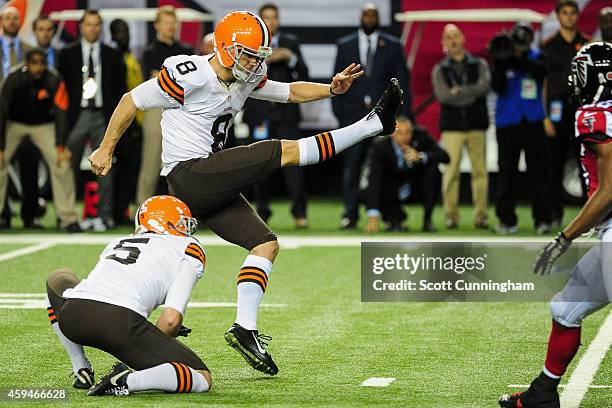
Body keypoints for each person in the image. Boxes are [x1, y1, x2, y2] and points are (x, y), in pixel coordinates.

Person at [89, 10, 402, 377]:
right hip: (188, 174)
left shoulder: (242, 77)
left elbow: (288, 92)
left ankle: (243, 329)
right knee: (283, 150)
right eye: (247, 53)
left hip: (208, 179)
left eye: (258, 55)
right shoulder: (188, 73)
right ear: (223, 47)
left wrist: (329, 89)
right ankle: (372, 124)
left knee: (265, 244)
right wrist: (105, 147)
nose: (254, 62)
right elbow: (131, 100)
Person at [498, 42, 612, 408]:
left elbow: (609, 190)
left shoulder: (594, 115)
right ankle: (543, 394)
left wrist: (565, 237)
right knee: (566, 309)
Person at [45, 195, 211, 396]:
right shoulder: (188, 247)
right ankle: (126, 380)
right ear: (164, 222)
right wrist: (156, 342)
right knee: (201, 377)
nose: (185, 230)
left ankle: (81, 367)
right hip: (119, 325)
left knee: (58, 277)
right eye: (181, 223)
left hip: (73, 316)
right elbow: (170, 320)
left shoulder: (119, 241)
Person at [332, 3, 412, 230]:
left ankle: (388, 215)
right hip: (352, 118)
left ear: (378, 18)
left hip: (383, 120)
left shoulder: (394, 45)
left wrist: (402, 115)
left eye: (373, 15)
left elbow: (402, 82)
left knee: (384, 168)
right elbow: (336, 82)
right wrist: (340, 116)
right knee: (352, 168)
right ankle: (350, 214)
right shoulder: (344, 45)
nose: (369, 18)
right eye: (366, 15)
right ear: (361, 17)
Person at [242, 3, 310, 227]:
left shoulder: (291, 42)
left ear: (279, 19)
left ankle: (300, 213)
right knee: (259, 166)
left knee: (295, 165)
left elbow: (304, 73)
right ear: (260, 21)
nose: (271, 22)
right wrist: (264, 60)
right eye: (266, 18)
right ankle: (262, 214)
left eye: (274, 17)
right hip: (260, 115)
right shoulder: (250, 43)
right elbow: (240, 75)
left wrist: (290, 58)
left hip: (286, 115)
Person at [58, 9, 126, 231]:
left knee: (104, 163)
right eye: (88, 24)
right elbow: (61, 90)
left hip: (103, 116)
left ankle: (103, 216)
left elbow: (120, 90)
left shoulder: (112, 55)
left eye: (97, 24)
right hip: (76, 116)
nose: (93, 28)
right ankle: (67, 216)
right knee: (66, 164)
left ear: (101, 27)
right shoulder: (67, 54)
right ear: (81, 27)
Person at [0, 48, 81, 233]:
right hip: (15, 123)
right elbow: (2, 113)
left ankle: (67, 218)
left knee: (62, 163)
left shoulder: (53, 79)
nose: (38, 68)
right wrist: (1, 147)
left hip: (44, 125)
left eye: (41, 63)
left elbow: (61, 113)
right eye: (34, 63)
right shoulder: (13, 79)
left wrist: (61, 145)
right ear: (27, 64)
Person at [490, 22, 552, 235]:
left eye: (524, 38)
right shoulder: (502, 59)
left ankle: (543, 219)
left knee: (539, 172)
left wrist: (518, 58)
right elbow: (497, 86)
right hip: (507, 123)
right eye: (517, 39)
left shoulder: (536, 57)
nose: (519, 43)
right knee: (507, 172)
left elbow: (542, 72)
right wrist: (501, 61)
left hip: (533, 120)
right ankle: (507, 220)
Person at [431, 24, 490, 230]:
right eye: (449, 37)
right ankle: (451, 216)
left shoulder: (479, 64)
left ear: (463, 38)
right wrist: (469, 94)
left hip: (476, 125)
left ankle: (481, 216)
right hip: (452, 127)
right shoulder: (440, 69)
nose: (453, 40)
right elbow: (443, 95)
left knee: (480, 172)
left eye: (456, 36)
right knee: (450, 172)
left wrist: (460, 91)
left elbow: (484, 88)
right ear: (444, 42)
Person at [137, 6, 193, 206]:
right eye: (166, 23)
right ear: (157, 25)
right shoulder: (149, 52)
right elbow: (151, 83)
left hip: (183, 110)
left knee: (185, 162)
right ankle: (142, 209)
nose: (170, 27)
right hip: (156, 110)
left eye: (173, 23)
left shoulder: (186, 50)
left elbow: (168, 81)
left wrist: (165, 79)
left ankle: (186, 210)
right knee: (150, 161)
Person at [541, 0, 590, 228]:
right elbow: (544, 83)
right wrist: (545, 117)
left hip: (582, 109)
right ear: (558, 16)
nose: (569, 17)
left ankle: (590, 216)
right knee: (554, 165)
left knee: (586, 165)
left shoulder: (588, 44)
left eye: (572, 13)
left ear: (577, 16)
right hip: (557, 110)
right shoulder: (548, 46)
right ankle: (553, 216)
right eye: (565, 13)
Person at [363, 115, 449, 233]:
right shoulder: (381, 146)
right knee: (367, 190)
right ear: (392, 133)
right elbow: (374, 179)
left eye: (408, 132)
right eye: (400, 133)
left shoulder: (421, 137)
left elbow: (445, 157)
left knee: (433, 170)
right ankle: (392, 219)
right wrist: (373, 216)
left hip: (415, 186)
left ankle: (427, 220)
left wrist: (420, 156)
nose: (404, 137)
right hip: (391, 189)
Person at [0, 5, 42, 229]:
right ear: (1, 21)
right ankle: (3, 214)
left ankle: (29, 215)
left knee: (29, 164)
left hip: (24, 116)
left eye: (15, 18)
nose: (12, 22)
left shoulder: (30, 50)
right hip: (1, 115)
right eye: (8, 18)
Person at [110, 18, 143, 225]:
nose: (124, 34)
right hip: (121, 118)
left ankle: (124, 210)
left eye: (126, 30)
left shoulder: (130, 56)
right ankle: (117, 211)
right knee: (119, 168)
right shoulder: (113, 57)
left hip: (134, 119)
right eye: (119, 31)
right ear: (112, 34)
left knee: (130, 168)